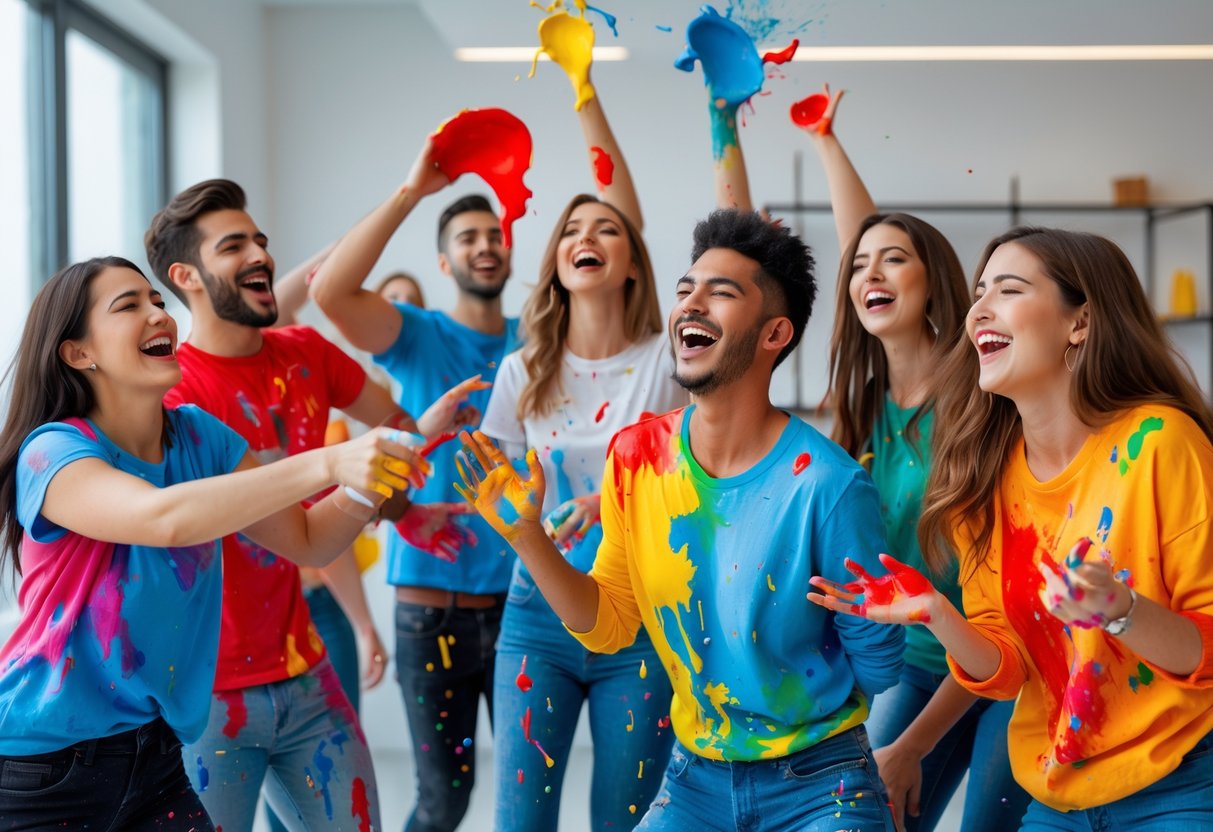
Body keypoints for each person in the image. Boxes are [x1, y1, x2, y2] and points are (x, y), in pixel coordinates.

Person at [458, 209, 904, 831]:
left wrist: (856, 616)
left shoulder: (829, 488)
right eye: (686, 289)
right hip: (694, 779)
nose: (692, 304)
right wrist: (527, 536)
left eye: (721, 293)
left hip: (821, 785)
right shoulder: (634, 459)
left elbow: (880, 669)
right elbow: (610, 625)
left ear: (775, 334)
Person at [810, 226, 1213, 829]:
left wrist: (1119, 609)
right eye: (978, 292)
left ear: (1079, 323)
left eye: (1009, 288)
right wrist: (937, 614)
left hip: (1177, 778)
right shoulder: (986, 473)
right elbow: (1008, 663)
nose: (979, 310)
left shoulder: (1160, 443)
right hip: (1061, 793)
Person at [0, 257, 417, 830]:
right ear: (78, 353)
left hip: (155, 756)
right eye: (129, 306)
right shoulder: (54, 453)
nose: (157, 314)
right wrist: (328, 462)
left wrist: (370, 483)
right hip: (44, 766)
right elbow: (164, 518)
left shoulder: (201, 435)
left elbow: (308, 540)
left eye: (154, 300)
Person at [144, 178, 421, 830]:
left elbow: (400, 433)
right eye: (234, 244)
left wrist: (394, 494)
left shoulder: (307, 353)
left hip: (308, 678)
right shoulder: (173, 399)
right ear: (185, 276)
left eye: (261, 241)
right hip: (206, 699)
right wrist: (351, 474)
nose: (260, 254)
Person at [787, 89, 1027, 830]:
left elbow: (1001, 623)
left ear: (933, 287)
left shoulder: (980, 398)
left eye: (895, 262)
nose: (872, 274)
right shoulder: (860, 411)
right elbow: (862, 239)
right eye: (860, 267)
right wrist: (824, 140)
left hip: (1010, 665)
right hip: (916, 660)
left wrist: (911, 746)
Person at [477, 72, 685, 828]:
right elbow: (498, 489)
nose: (584, 239)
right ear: (555, 263)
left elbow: (704, 472)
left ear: (632, 262)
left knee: (624, 819)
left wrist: (584, 92)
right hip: (537, 613)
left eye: (605, 231)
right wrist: (508, 508)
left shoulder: (670, 361)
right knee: (519, 819)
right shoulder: (520, 369)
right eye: (569, 231)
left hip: (640, 617)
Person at [309, 160, 519, 830]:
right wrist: (411, 190)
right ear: (444, 257)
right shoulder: (417, 334)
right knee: (442, 802)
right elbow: (331, 291)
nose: (485, 245)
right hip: (435, 615)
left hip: (524, 612)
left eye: (496, 233)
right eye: (468, 237)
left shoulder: (536, 336)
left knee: (523, 798)